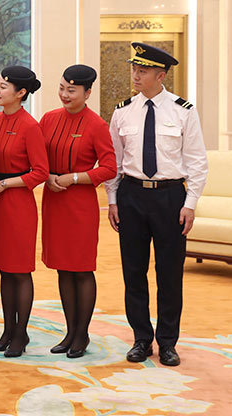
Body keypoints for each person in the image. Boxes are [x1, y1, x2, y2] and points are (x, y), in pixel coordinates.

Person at [105, 42, 208, 367]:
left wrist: (190, 204)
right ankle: (141, 339)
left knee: (169, 274)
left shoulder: (183, 111)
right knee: (133, 272)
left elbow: (197, 161)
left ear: (161, 75)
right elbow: (114, 162)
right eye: (134, 69)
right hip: (132, 195)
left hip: (170, 197)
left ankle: (167, 343)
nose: (136, 76)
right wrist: (112, 200)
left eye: (143, 71)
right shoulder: (122, 111)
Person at [39, 65, 116, 359]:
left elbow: (109, 168)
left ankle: (81, 334)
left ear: (87, 92)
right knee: (62, 267)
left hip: (80, 203)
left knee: (81, 268)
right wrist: (48, 177)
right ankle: (70, 332)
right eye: (62, 88)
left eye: (72, 90)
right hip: (54, 199)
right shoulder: (48, 119)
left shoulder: (96, 125)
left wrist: (73, 178)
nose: (65, 94)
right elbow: (37, 157)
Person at [0, 65, 48, 358]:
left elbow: (40, 172)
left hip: (18, 203)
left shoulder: (30, 126)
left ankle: (21, 333)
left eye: (3, 87)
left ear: (21, 93)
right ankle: (7, 330)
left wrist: (4, 184)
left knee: (20, 270)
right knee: (4, 269)